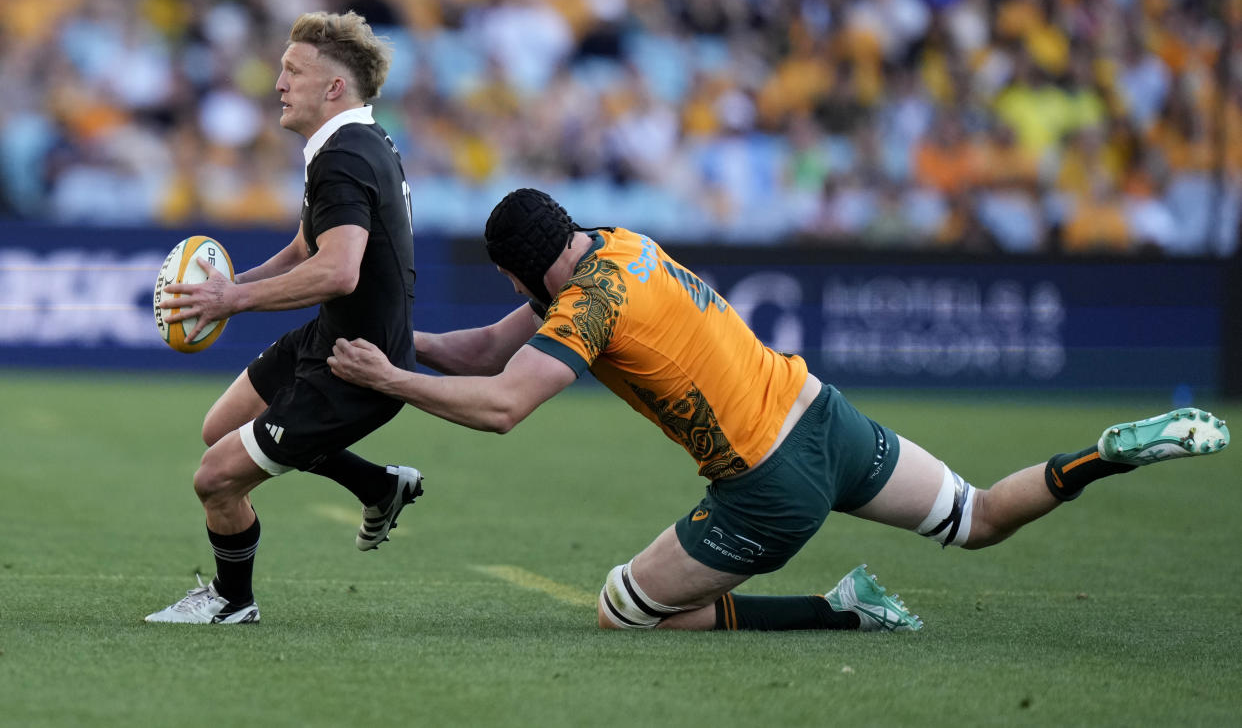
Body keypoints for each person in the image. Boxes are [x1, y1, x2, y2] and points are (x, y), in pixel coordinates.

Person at [327, 188, 1230, 632]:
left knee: (621, 612)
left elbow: (501, 407)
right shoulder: (616, 246)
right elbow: (485, 351)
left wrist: (391, 382)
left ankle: (843, 613)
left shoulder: (591, 307)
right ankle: (1105, 454)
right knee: (979, 517)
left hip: (767, 484)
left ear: (517, 269)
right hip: (822, 415)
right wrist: (397, 345)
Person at [146, 11, 424, 624]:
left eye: (293, 71)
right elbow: (306, 249)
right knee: (221, 428)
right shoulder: (353, 141)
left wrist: (233, 303)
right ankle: (377, 486)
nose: (278, 83)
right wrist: (229, 285)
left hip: (357, 367)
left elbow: (339, 271)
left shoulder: (344, 155)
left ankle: (231, 601)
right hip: (333, 338)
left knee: (215, 479)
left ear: (333, 88)